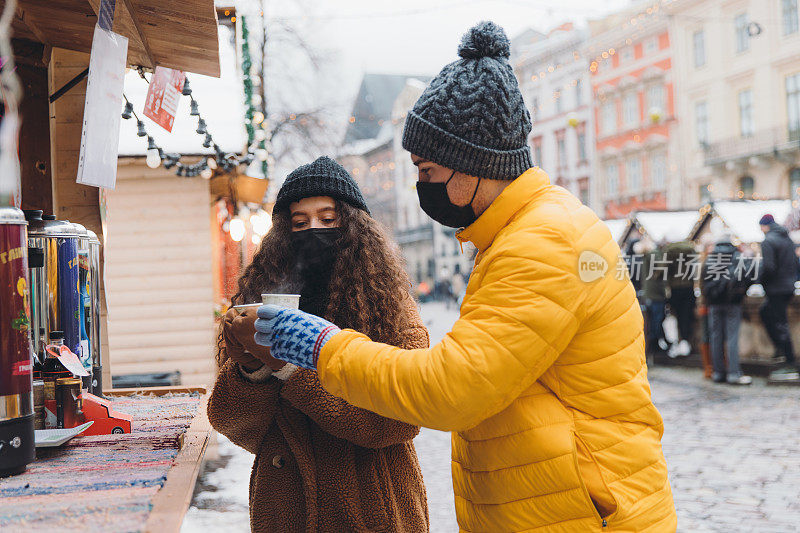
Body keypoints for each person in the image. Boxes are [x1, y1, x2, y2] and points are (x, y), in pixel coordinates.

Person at [254, 22, 676, 532]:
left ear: (471, 163)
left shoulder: (543, 242)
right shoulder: (517, 234)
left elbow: (452, 388)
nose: (419, 185)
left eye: (426, 170)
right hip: (552, 504)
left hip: (582, 512)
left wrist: (322, 347)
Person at [207, 157, 430, 533]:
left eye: (328, 220)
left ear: (354, 226)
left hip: (372, 508)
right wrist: (251, 370)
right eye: (299, 223)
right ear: (282, 234)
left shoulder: (389, 307)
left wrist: (291, 368)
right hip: (284, 510)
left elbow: (399, 420)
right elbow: (235, 426)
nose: (313, 230)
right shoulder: (264, 300)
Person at [701, 234, 753, 385]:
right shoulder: (737, 258)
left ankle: (718, 373)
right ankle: (734, 373)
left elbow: (703, 284)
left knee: (716, 338)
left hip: (714, 305)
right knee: (732, 339)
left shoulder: (710, 259)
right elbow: (748, 277)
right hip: (733, 303)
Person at [758, 214, 800, 381]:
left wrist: (761, 281)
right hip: (788, 287)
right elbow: (795, 264)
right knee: (765, 312)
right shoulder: (787, 238)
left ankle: (789, 362)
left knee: (780, 323)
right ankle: (780, 351)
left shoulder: (768, 241)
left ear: (765, 226)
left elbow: (769, 267)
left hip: (776, 289)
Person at [664, 239, 697, 357]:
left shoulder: (668, 251)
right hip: (688, 287)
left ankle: (681, 341)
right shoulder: (690, 249)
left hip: (675, 288)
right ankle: (687, 341)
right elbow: (695, 268)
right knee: (687, 316)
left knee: (678, 316)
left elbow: (664, 270)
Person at [639, 238, 669, 355]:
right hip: (656, 294)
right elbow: (662, 266)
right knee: (658, 320)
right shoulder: (655, 254)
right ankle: (657, 344)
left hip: (648, 294)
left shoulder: (645, 256)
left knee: (652, 321)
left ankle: (654, 345)